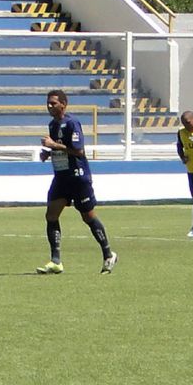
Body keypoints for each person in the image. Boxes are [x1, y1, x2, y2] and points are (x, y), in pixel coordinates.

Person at [36, 89, 118, 275]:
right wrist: (49, 153)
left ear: (63, 104)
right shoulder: (52, 125)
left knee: (88, 217)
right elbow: (62, 149)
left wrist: (53, 146)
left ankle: (108, 254)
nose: (49, 106)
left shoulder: (72, 123)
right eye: (48, 103)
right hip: (61, 177)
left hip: (77, 176)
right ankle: (56, 261)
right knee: (51, 215)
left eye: (53, 103)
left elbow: (78, 151)